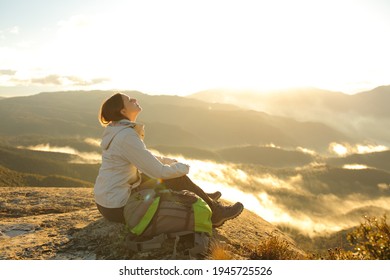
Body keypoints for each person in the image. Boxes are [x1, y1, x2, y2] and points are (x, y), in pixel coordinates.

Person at [94, 92, 244, 227]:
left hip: (107, 202)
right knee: (176, 178)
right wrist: (183, 167)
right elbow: (160, 172)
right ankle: (216, 215)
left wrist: (169, 161)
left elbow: (145, 157)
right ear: (123, 111)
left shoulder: (118, 130)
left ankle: (202, 196)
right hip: (117, 206)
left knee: (157, 175)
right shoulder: (126, 136)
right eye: (129, 100)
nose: (134, 99)